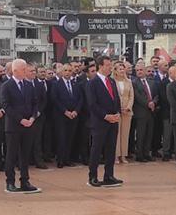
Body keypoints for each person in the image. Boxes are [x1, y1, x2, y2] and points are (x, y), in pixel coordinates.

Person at [0, 59, 39, 193]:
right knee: (11, 155)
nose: (26, 72)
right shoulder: (6, 86)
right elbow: (6, 106)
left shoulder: (29, 85)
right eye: (23, 69)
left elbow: (35, 103)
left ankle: (25, 180)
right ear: (15, 71)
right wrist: (21, 119)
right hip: (14, 126)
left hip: (29, 125)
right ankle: (10, 182)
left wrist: (33, 117)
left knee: (25, 155)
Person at [86, 56, 123, 187]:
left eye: (110, 65)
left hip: (113, 121)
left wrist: (117, 112)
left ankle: (109, 175)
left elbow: (116, 99)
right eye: (107, 65)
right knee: (96, 149)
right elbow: (92, 104)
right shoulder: (93, 82)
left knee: (111, 149)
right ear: (100, 66)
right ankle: (93, 176)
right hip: (100, 122)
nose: (110, 68)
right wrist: (106, 116)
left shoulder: (111, 81)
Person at [52, 63, 82, 168]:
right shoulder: (56, 84)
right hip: (61, 116)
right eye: (65, 70)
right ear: (61, 71)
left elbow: (80, 99)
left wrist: (76, 111)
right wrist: (65, 111)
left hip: (73, 115)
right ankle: (60, 160)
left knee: (70, 138)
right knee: (61, 138)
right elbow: (55, 100)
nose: (68, 73)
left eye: (69, 71)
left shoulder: (76, 84)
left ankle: (67, 159)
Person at [132, 63, 159, 162]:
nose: (139, 72)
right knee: (141, 134)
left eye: (141, 70)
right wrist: (148, 103)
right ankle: (139, 155)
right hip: (140, 112)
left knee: (149, 134)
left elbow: (156, 95)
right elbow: (137, 96)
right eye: (137, 70)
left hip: (151, 112)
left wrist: (154, 103)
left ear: (144, 71)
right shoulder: (134, 82)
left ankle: (147, 153)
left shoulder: (151, 82)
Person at [113, 61, 134, 164]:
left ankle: (123, 155)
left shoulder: (129, 82)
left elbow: (131, 96)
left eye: (123, 69)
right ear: (115, 71)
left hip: (127, 111)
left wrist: (128, 107)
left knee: (125, 134)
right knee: (116, 134)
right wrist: (117, 108)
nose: (122, 71)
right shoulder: (112, 81)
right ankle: (116, 156)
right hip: (116, 111)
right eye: (119, 69)